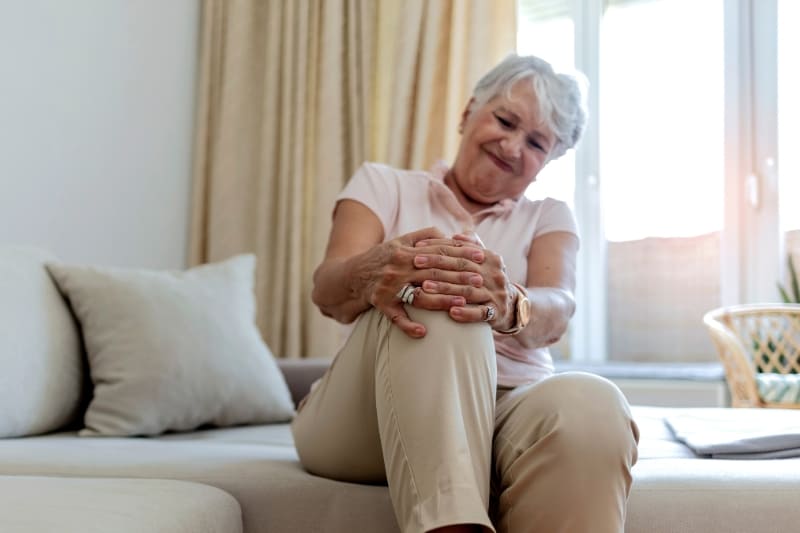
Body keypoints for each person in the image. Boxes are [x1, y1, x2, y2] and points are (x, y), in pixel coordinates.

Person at [291, 53, 639, 533]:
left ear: (548, 162)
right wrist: (377, 271)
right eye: (505, 120)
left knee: (592, 405)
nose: (513, 145)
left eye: (536, 142)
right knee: (438, 296)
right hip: (368, 412)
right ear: (467, 113)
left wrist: (508, 302)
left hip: (508, 405)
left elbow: (558, 307)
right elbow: (326, 291)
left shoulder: (549, 216)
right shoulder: (383, 184)